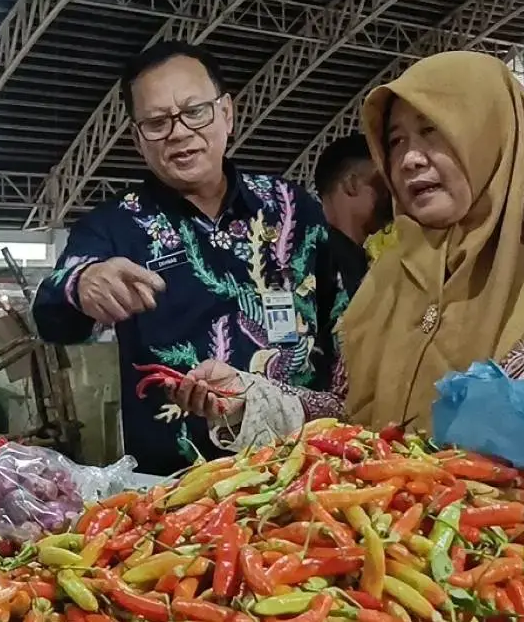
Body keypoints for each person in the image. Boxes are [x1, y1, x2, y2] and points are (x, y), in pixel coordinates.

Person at [168, 50, 524, 434]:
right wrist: (252, 398)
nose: (408, 159)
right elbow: (354, 422)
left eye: (432, 132)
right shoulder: (390, 276)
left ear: (492, 132)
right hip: (397, 536)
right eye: (395, 140)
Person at [33, 41, 342, 474]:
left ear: (227, 113)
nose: (178, 132)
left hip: (310, 466)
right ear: (138, 139)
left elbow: (343, 316)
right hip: (178, 489)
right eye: (157, 122)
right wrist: (81, 284)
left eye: (195, 111)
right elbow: (50, 318)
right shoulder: (115, 226)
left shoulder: (290, 207)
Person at [313, 133, 392, 297]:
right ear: (352, 184)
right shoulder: (323, 266)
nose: (391, 195)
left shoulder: (311, 255)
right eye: (382, 184)